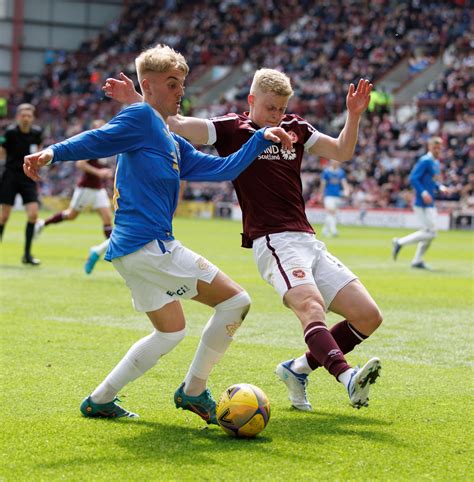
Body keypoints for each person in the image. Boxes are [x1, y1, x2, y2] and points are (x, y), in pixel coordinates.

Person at [24, 45, 292, 422]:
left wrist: (260, 139)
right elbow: (96, 140)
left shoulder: (169, 138)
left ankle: (100, 399)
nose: (180, 91)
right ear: (147, 86)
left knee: (170, 333)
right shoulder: (140, 117)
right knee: (236, 302)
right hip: (150, 247)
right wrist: (50, 154)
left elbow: (223, 169)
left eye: (181, 83)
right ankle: (194, 391)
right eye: (171, 84)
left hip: (132, 251)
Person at [103, 68, 383, 411]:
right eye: (269, 108)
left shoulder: (296, 127)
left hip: (309, 240)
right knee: (310, 307)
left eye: (281, 108)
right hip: (274, 242)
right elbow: (173, 124)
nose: (276, 116)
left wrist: (353, 115)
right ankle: (347, 376)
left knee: (369, 316)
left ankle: (296, 370)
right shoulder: (231, 128)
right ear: (252, 101)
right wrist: (135, 98)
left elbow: (341, 151)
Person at [34, 119, 115, 274]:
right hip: (86, 188)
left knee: (107, 218)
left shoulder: (107, 145)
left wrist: (106, 173)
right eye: (98, 126)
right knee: (71, 215)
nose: (102, 128)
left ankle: (111, 251)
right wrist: (100, 173)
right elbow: (80, 164)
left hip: (98, 188)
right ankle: (42, 223)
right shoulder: (93, 143)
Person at [392, 137, 446, 269]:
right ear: (429, 147)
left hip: (430, 202)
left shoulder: (436, 163)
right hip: (421, 202)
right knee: (431, 233)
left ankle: (416, 260)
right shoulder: (425, 161)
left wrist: (440, 187)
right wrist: (423, 192)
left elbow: (432, 181)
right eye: (435, 148)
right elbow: (413, 178)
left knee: (429, 233)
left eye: (439, 148)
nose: (437, 150)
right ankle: (399, 242)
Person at [0, 103, 43, 265]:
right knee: (3, 217)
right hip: (10, 176)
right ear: (18, 117)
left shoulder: (37, 133)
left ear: (33, 118)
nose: (26, 118)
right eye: (23, 115)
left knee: (33, 215)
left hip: (28, 177)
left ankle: (27, 255)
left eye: (29, 116)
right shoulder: (10, 133)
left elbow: (39, 152)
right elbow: (2, 153)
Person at [320, 159, 350, 237]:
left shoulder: (341, 172)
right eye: (334, 161)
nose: (335, 163)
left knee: (331, 214)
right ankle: (334, 231)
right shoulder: (326, 172)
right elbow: (323, 184)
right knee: (332, 212)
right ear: (331, 162)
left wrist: (347, 190)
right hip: (328, 195)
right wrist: (320, 194)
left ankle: (324, 231)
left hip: (337, 196)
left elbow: (344, 182)